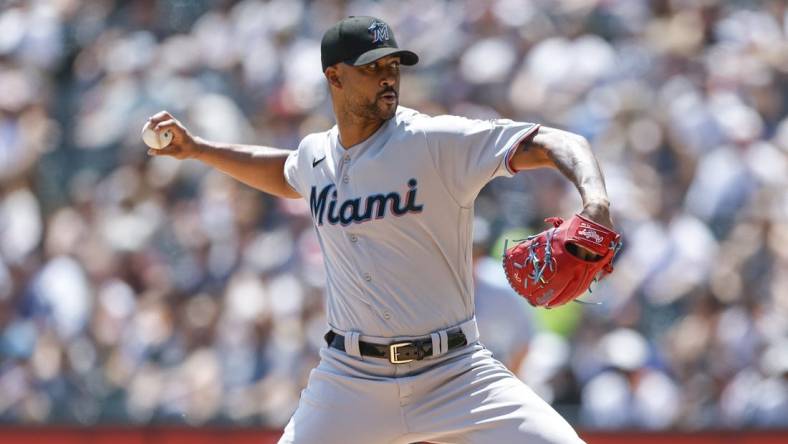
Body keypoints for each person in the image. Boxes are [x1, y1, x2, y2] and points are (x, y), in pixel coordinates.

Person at [145, 16, 613, 444]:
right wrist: (200, 149)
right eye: (372, 67)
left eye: (394, 64)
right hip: (350, 380)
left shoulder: (433, 141)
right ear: (335, 76)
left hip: (455, 372)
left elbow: (559, 141)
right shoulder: (316, 155)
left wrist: (595, 201)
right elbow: (285, 172)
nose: (388, 76)